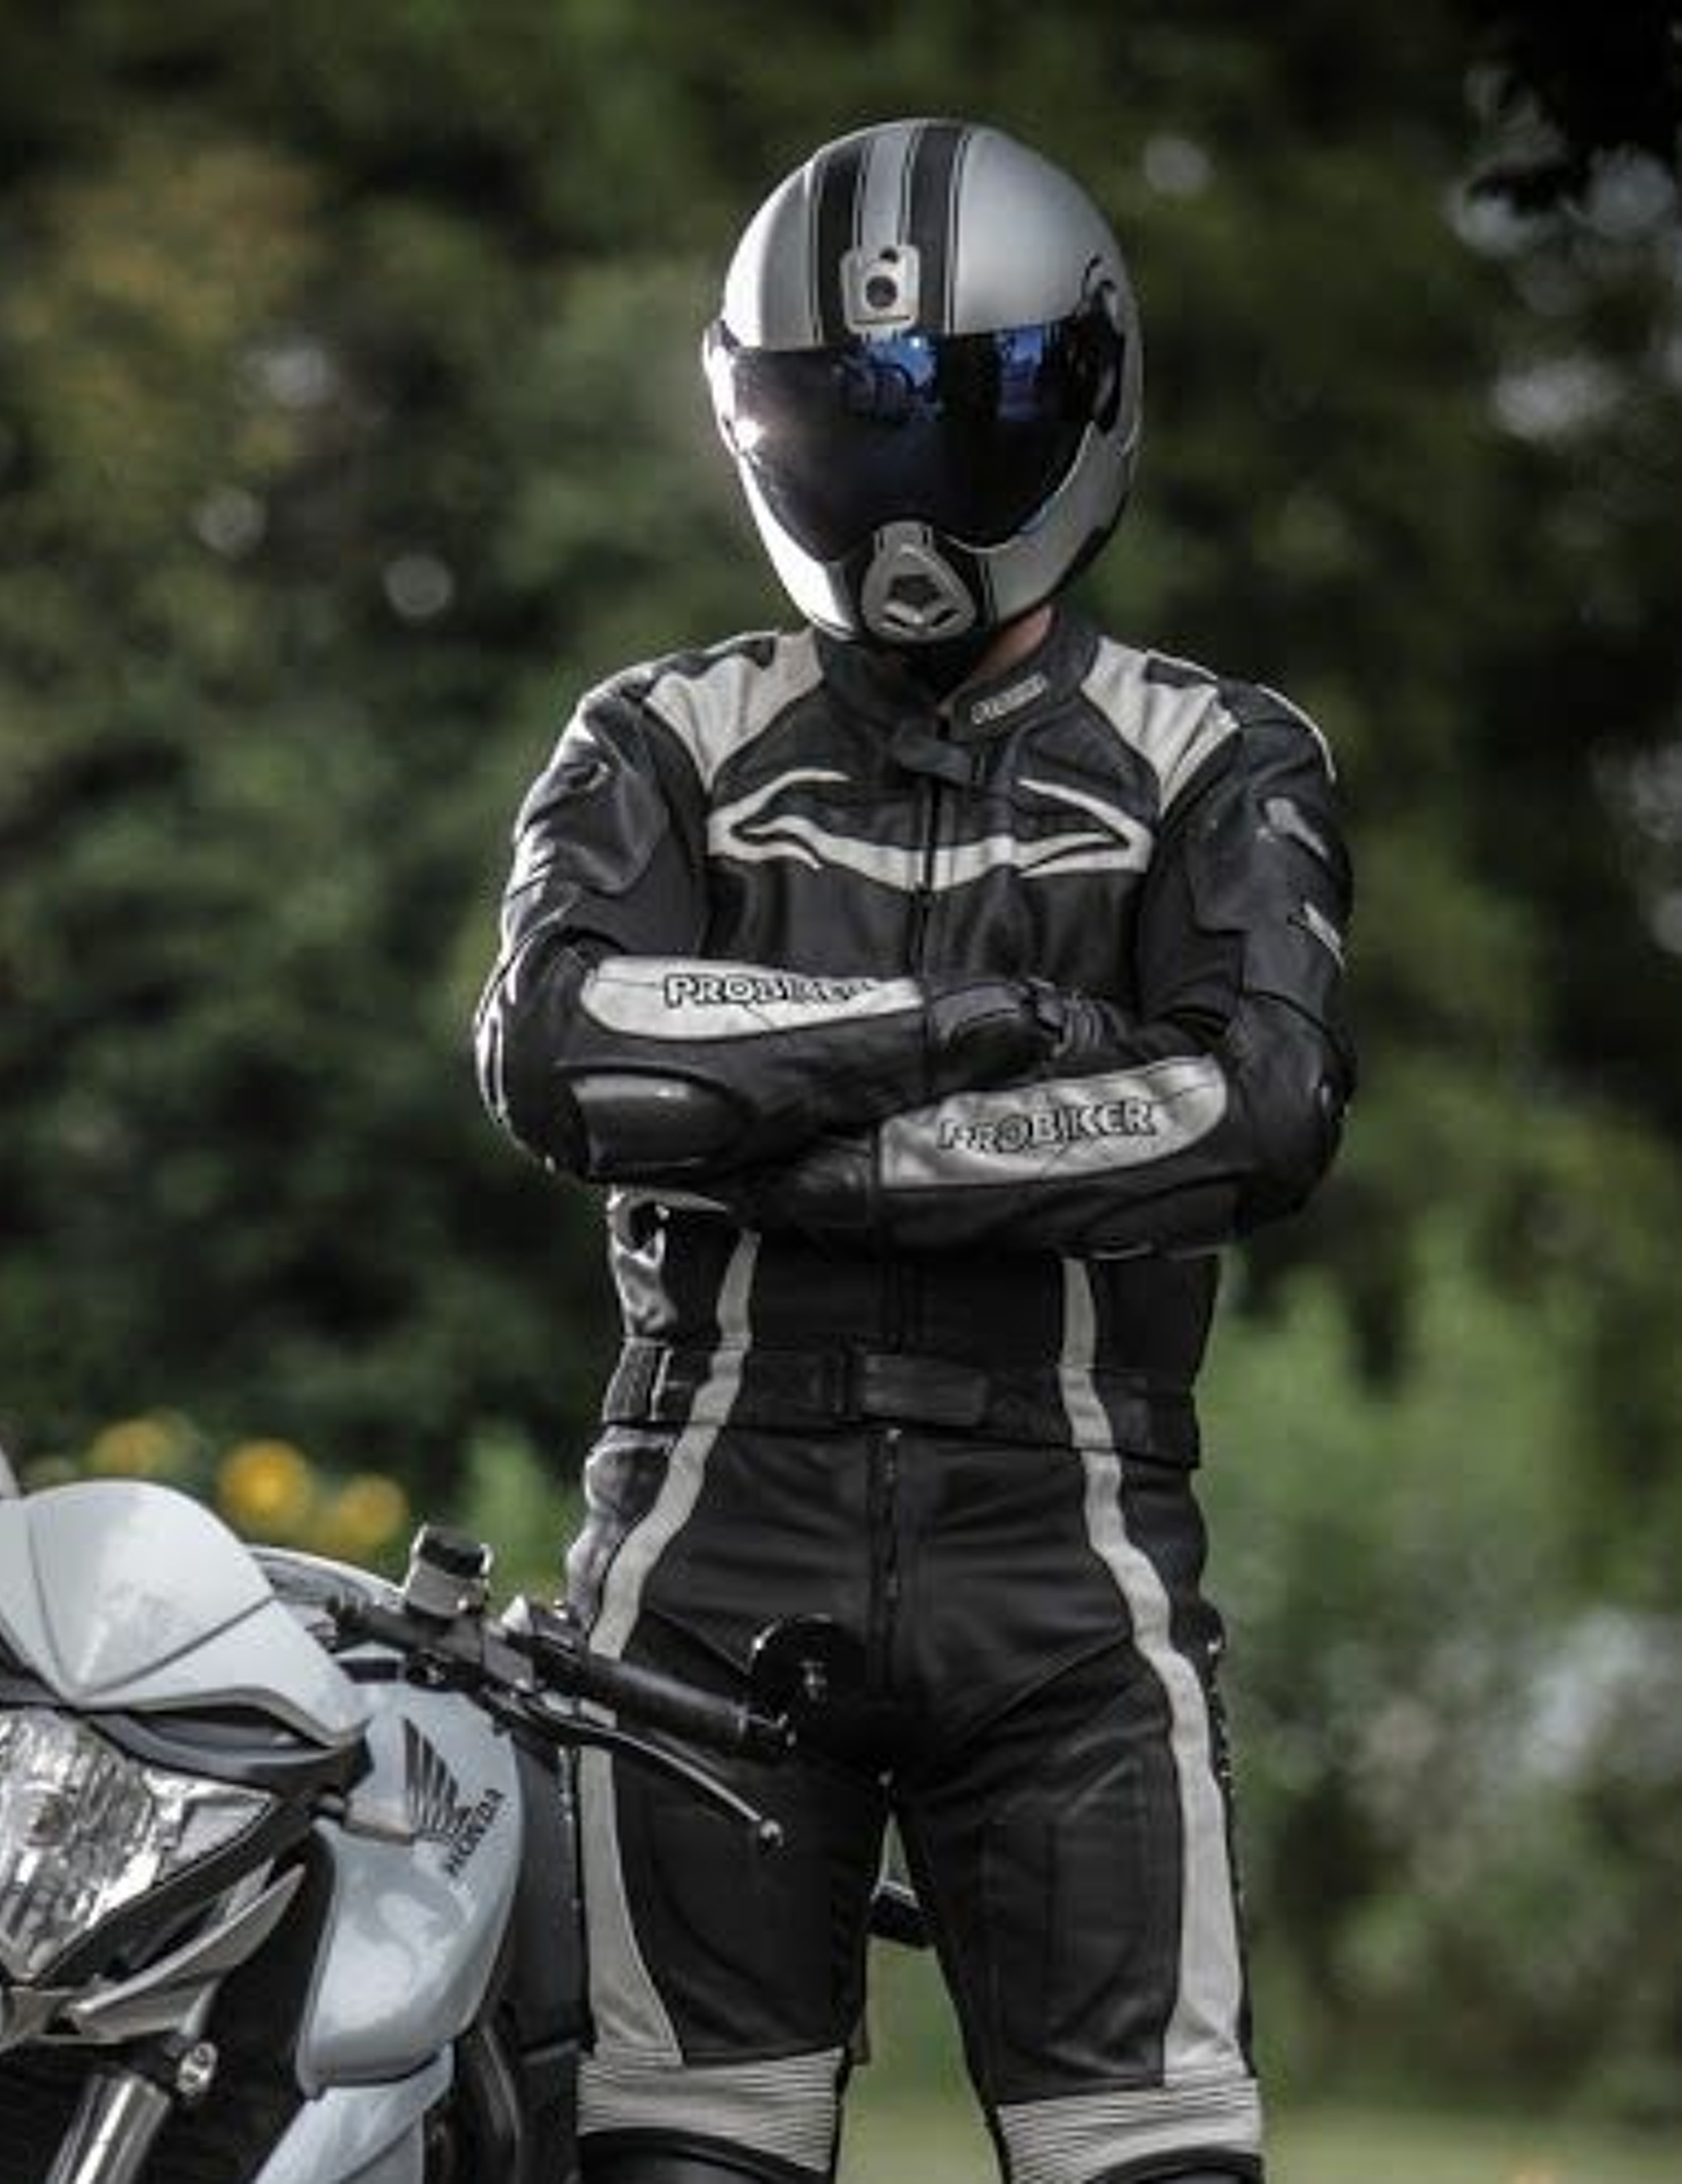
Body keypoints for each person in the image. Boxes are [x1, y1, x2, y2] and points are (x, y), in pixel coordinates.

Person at [474, 118, 1351, 2184]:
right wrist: (974, 1028)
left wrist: (808, 1155)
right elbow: (557, 1051)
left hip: (1071, 1551)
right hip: (709, 1530)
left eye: (960, 423)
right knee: (679, 2155)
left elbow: (1258, 1104)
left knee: (1154, 2158)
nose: (903, 505)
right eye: (844, 428)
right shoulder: (657, 734)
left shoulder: (1221, 755)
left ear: (1085, 403)